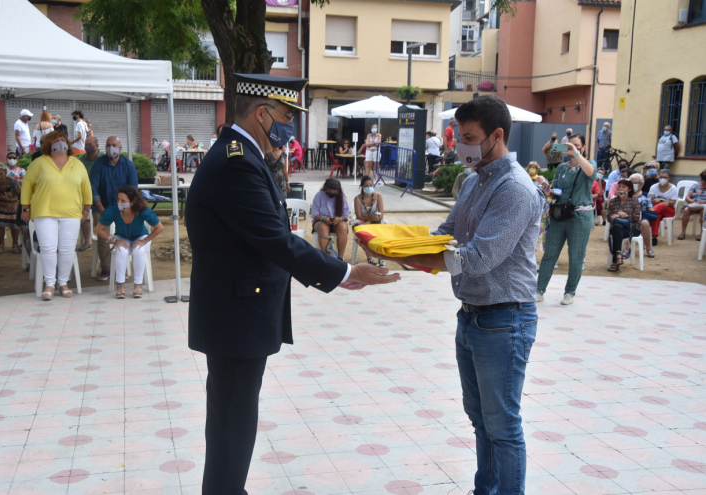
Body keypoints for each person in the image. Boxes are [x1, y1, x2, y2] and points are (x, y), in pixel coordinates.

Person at [185, 73, 398, 494]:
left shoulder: (243, 156)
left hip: (236, 313)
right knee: (233, 423)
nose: (290, 128)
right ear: (262, 114)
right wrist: (346, 271)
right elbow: (275, 240)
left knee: (234, 421)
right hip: (236, 317)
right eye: (286, 116)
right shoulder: (236, 163)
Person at [357, 95, 544, 495]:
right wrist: (392, 245)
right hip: (473, 316)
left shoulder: (514, 189)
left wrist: (410, 253)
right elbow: (447, 234)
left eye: (470, 138)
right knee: (480, 419)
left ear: (497, 136)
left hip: (504, 319)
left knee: (503, 426)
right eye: (460, 137)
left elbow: (478, 257)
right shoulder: (476, 181)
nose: (461, 146)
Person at [20, 131, 91, 300]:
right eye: (56, 140)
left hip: (71, 213)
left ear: (68, 143)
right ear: (48, 145)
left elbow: (86, 188)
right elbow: (27, 187)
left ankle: (63, 282)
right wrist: (25, 209)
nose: (60, 142)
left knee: (67, 249)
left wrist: (86, 209)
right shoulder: (38, 163)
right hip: (44, 212)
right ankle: (49, 283)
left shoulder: (77, 164)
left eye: (63, 140)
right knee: (48, 248)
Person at [537, 133, 595, 305]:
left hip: (580, 215)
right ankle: (539, 289)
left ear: (583, 147)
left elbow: (590, 172)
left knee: (576, 255)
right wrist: (546, 189)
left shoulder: (589, 164)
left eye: (574, 145)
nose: (569, 148)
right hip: (559, 213)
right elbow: (555, 193)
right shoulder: (562, 168)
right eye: (567, 145)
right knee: (550, 254)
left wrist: (576, 153)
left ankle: (570, 292)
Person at [95, 185, 163, 298]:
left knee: (138, 251)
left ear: (132, 201)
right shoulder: (113, 210)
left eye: (123, 200)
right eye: (118, 199)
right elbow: (98, 229)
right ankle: (120, 285)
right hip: (121, 236)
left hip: (141, 236)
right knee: (122, 250)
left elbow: (159, 228)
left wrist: (144, 241)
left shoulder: (143, 211)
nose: (119, 202)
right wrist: (114, 241)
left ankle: (138, 284)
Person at [89, 136, 138, 281]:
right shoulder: (98, 164)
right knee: (103, 236)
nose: (111, 148)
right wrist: (102, 209)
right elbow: (93, 189)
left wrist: (126, 209)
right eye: (108, 145)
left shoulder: (128, 165)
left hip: (124, 208)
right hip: (101, 207)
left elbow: (133, 190)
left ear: (120, 148)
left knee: (125, 234)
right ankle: (106, 268)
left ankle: (121, 268)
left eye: (114, 145)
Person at [606, 179, 641, 272]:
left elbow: (637, 217)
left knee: (617, 230)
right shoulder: (614, 201)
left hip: (632, 227)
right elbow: (608, 217)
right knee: (617, 228)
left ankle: (615, 260)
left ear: (629, 189)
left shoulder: (634, 200)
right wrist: (614, 216)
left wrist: (626, 215)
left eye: (623, 187)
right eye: (619, 187)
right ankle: (618, 255)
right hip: (618, 227)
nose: (621, 189)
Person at [312, 178, 350, 260]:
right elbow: (315, 214)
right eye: (330, 193)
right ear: (326, 188)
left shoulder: (342, 197)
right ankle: (326, 258)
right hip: (320, 221)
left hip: (336, 222)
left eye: (334, 193)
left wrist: (339, 219)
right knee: (323, 227)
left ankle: (340, 258)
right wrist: (324, 219)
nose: (332, 194)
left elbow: (346, 215)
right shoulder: (319, 195)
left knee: (343, 226)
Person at [77, 136, 103, 251]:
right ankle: (88, 241)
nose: (88, 147)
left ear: (97, 146)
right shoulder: (81, 160)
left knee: (102, 214)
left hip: (101, 193)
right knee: (84, 214)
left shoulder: (104, 158)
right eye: (86, 144)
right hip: (84, 193)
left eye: (90, 145)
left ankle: (102, 239)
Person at [0, 164, 21, 254]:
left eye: (1, 174)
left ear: (5, 173)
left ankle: (15, 243)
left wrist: (9, 200)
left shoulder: (12, 181)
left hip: (13, 205)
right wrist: (4, 204)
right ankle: (1, 244)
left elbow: (21, 196)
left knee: (16, 218)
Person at [648, 168, 677, 246]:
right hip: (657, 210)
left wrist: (664, 201)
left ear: (669, 178)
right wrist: (654, 201)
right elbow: (650, 200)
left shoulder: (673, 188)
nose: (662, 179)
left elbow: (673, 203)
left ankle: (650, 214)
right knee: (657, 215)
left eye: (665, 177)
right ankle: (654, 237)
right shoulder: (654, 187)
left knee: (660, 206)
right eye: (661, 177)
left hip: (669, 210)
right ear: (658, 177)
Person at [629, 173, 656, 258]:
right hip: (629, 215)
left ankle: (649, 248)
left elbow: (651, 209)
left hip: (643, 215)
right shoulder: (626, 194)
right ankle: (626, 248)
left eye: (636, 183)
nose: (634, 185)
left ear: (641, 184)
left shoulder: (645, 194)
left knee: (644, 223)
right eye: (632, 183)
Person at [679, 168, 706, 241]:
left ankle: (702, 233)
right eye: (704, 174)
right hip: (694, 205)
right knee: (686, 211)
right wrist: (692, 201)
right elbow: (687, 197)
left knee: (703, 212)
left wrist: (703, 202)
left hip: (704, 206)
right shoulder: (696, 185)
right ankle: (683, 232)